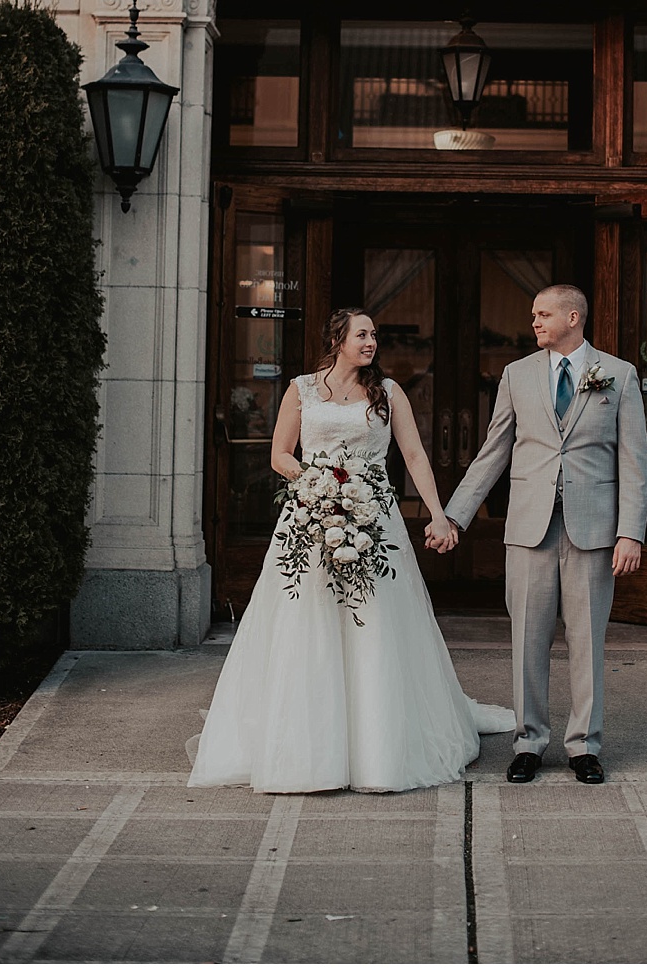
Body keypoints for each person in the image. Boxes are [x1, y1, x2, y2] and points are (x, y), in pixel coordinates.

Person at [187, 308, 514, 793]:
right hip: (310, 517)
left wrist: (438, 514)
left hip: (374, 518)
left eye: (375, 335)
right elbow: (280, 454)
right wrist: (314, 483)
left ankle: (375, 748)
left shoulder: (389, 393)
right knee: (307, 618)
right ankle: (308, 747)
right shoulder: (301, 389)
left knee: (374, 620)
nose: (371, 342)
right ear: (338, 339)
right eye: (362, 334)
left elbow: (414, 455)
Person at [436, 284, 647, 784]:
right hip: (529, 530)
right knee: (527, 640)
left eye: (542, 314)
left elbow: (634, 463)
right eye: (533, 314)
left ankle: (584, 748)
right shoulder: (517, 375)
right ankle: (529, 742)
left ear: (573, 317)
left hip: (593, 531)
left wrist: (630, 533)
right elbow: (493, 452)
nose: (533, 322)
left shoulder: (618, 375)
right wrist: (454, 516)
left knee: (588, 643)